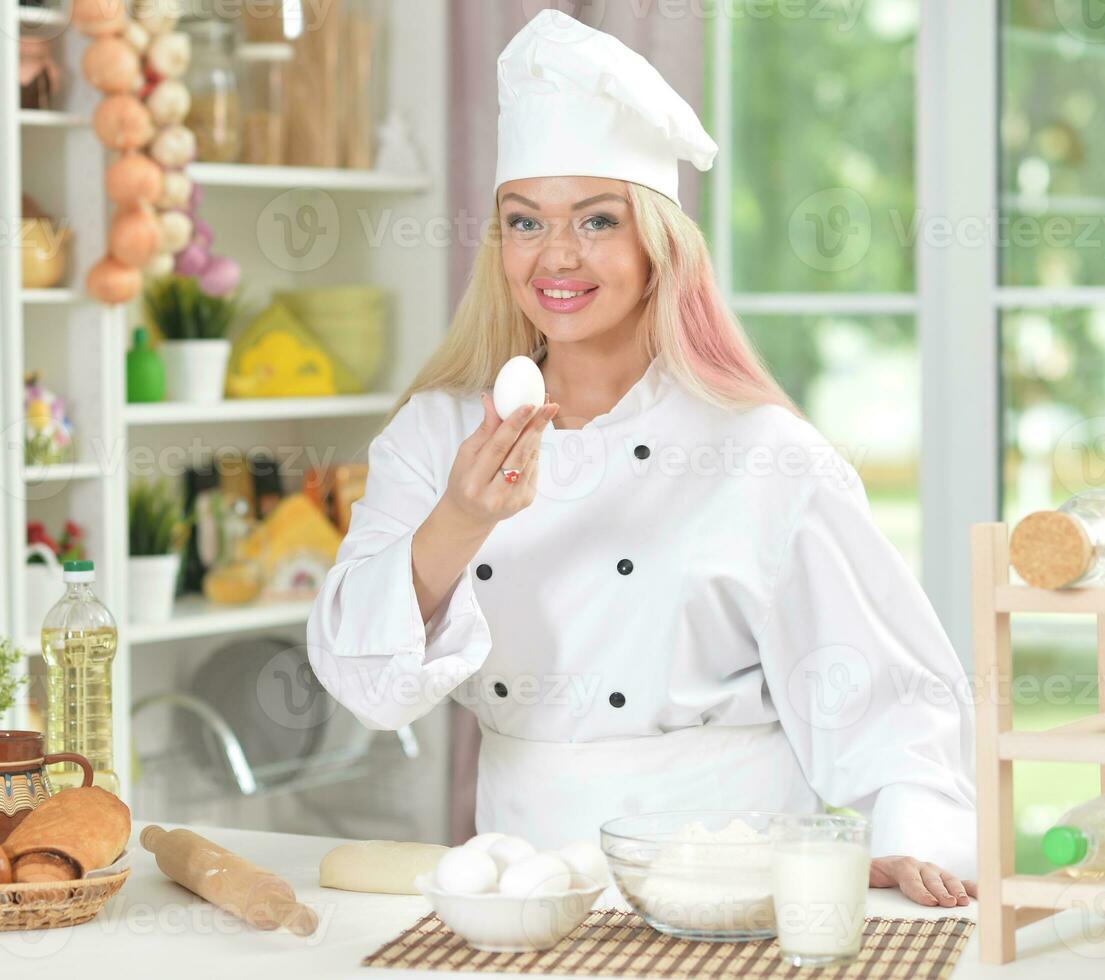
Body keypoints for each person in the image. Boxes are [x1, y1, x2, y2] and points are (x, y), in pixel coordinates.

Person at [306, 10, 977, 908]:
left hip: (728, 872)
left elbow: (885, 686)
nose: (555, 256)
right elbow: (362, 680)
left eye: (596, 220)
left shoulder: (759, 452)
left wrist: (912, 838)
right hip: (522, 879)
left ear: (658, 244)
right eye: (523, 221)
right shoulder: (434, 435)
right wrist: (460, 520)